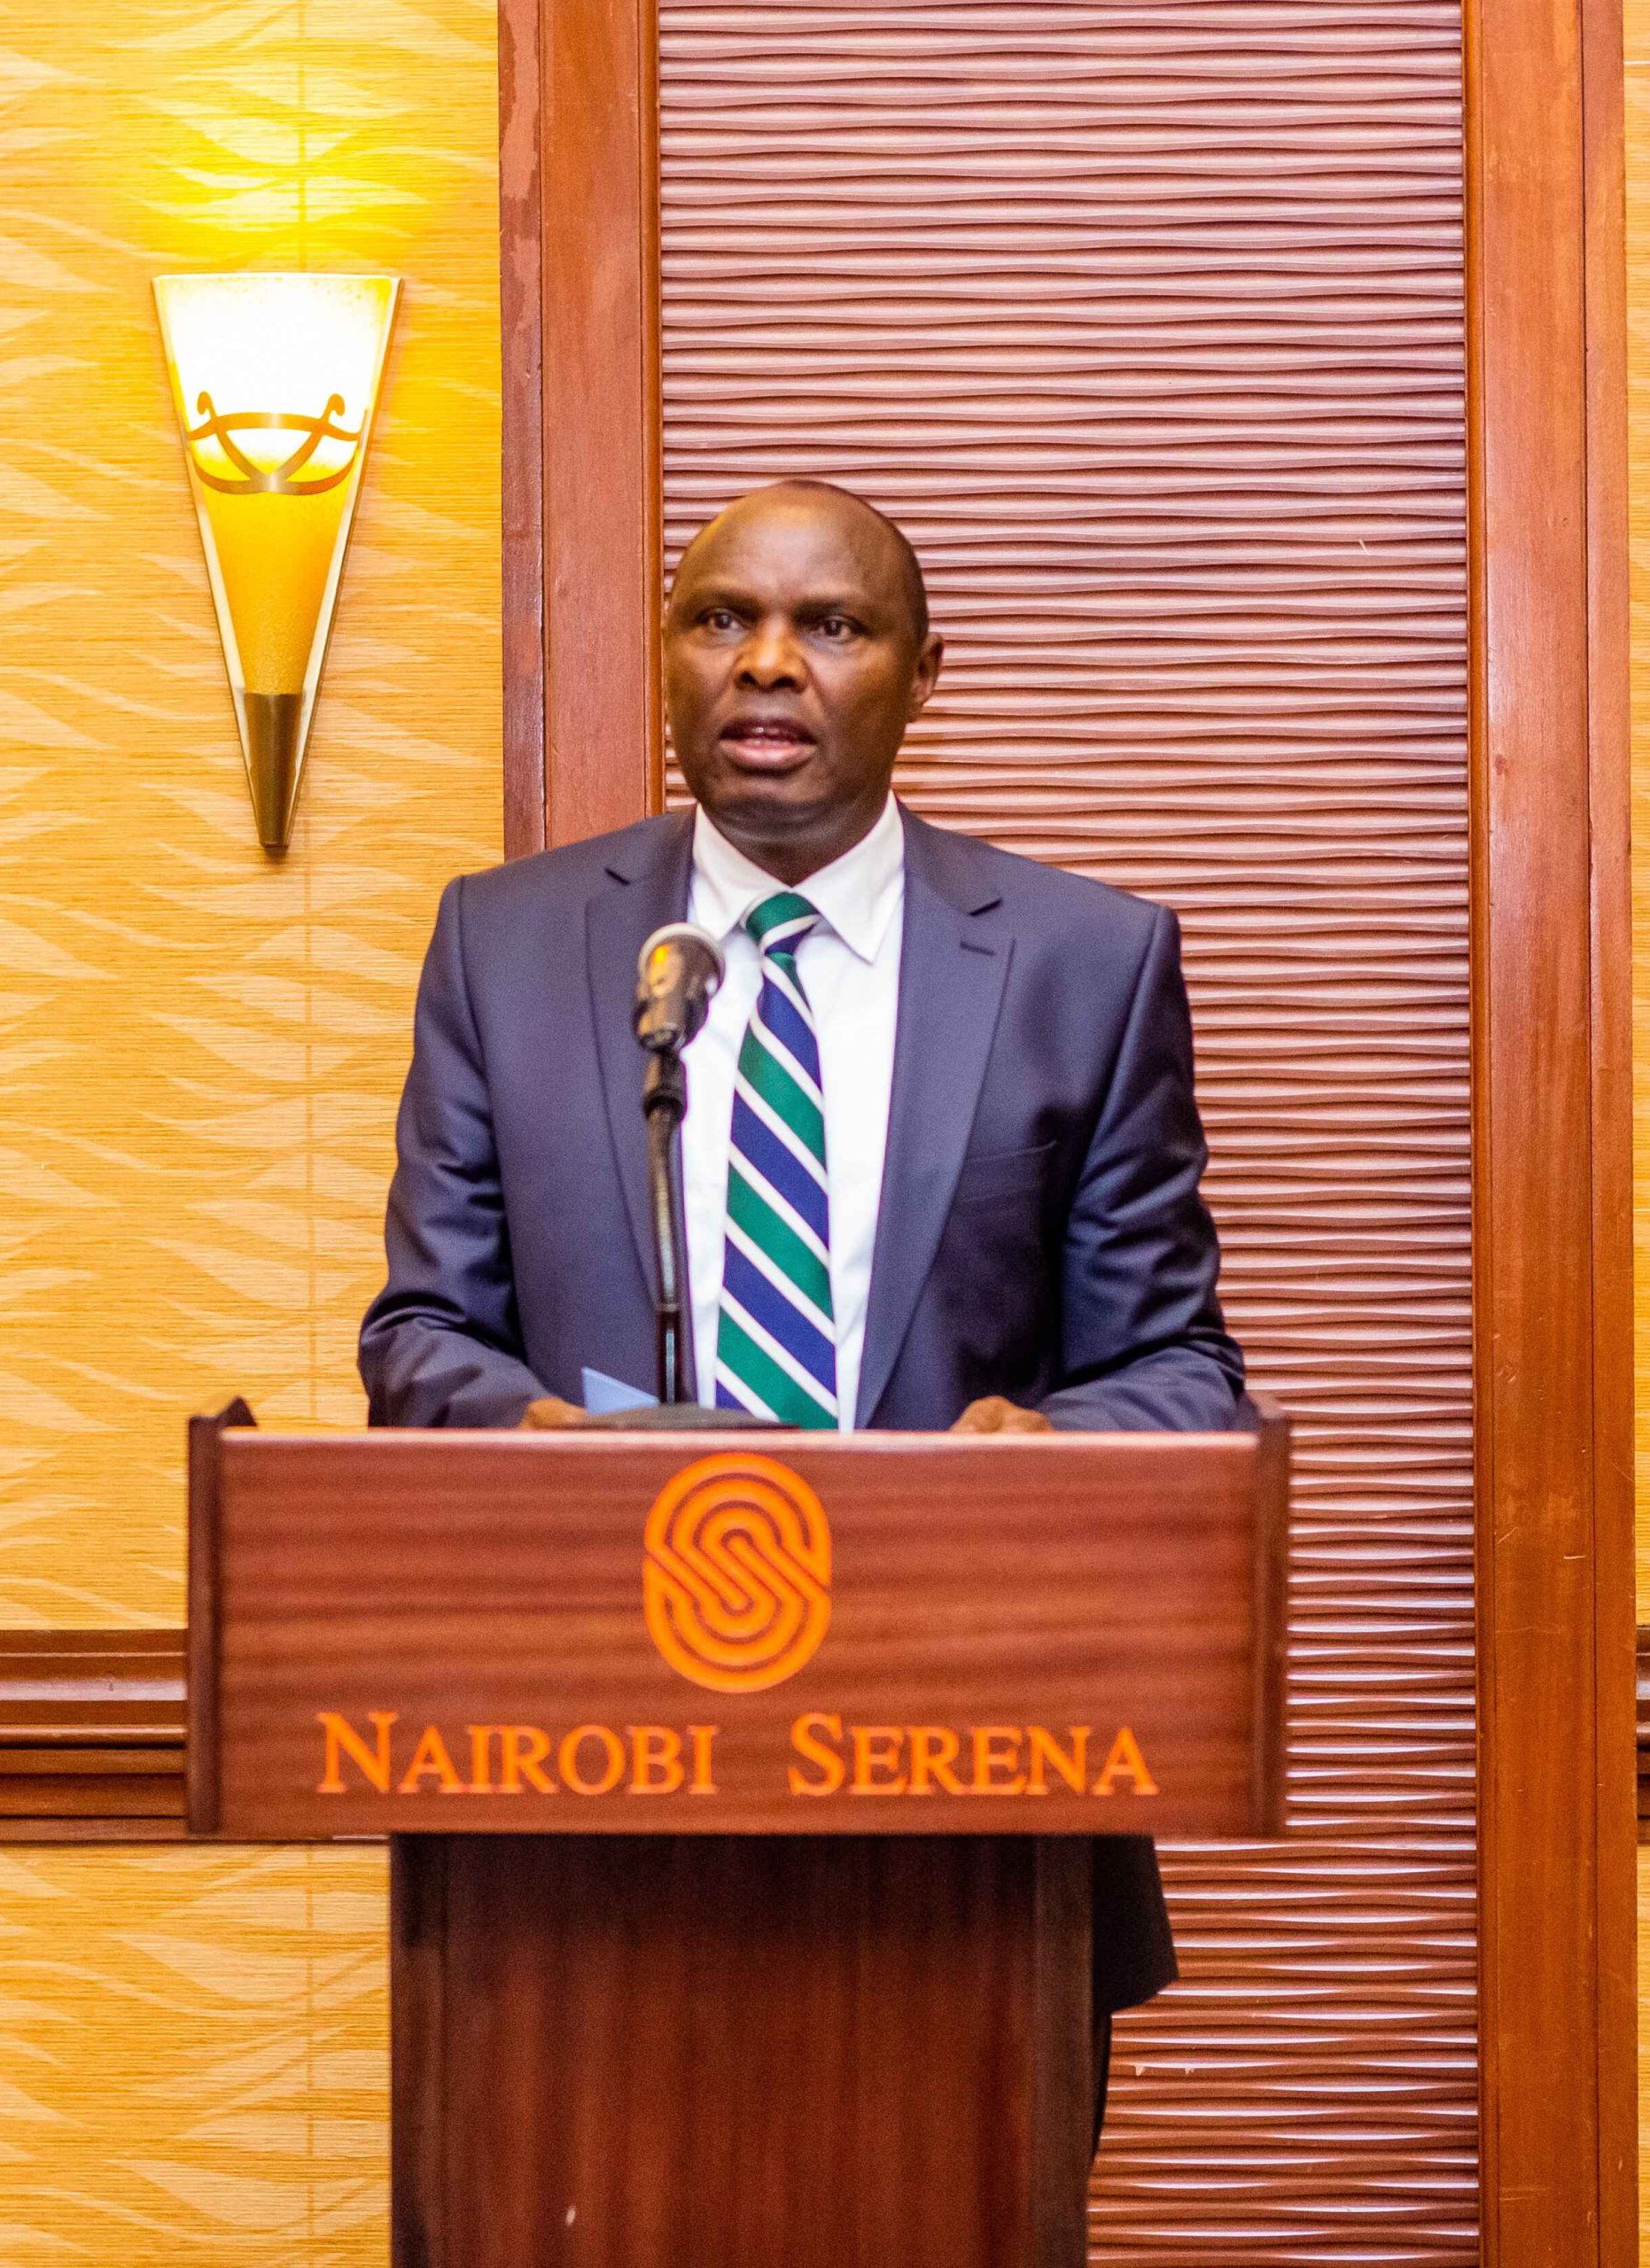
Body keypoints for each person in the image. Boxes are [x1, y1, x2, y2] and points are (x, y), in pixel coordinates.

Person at [359, 478, 1245, 2135]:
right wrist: (539, 1434)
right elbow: (419, 1335)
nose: (768, 663)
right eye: (722, 620)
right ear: (670, 658)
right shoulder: (506, 943)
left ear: (922, 675)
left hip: (972, 1793)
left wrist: (1044, 1446)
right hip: (582, 1802)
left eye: (830, 626)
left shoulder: (1084, 960)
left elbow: (1179, 1369)